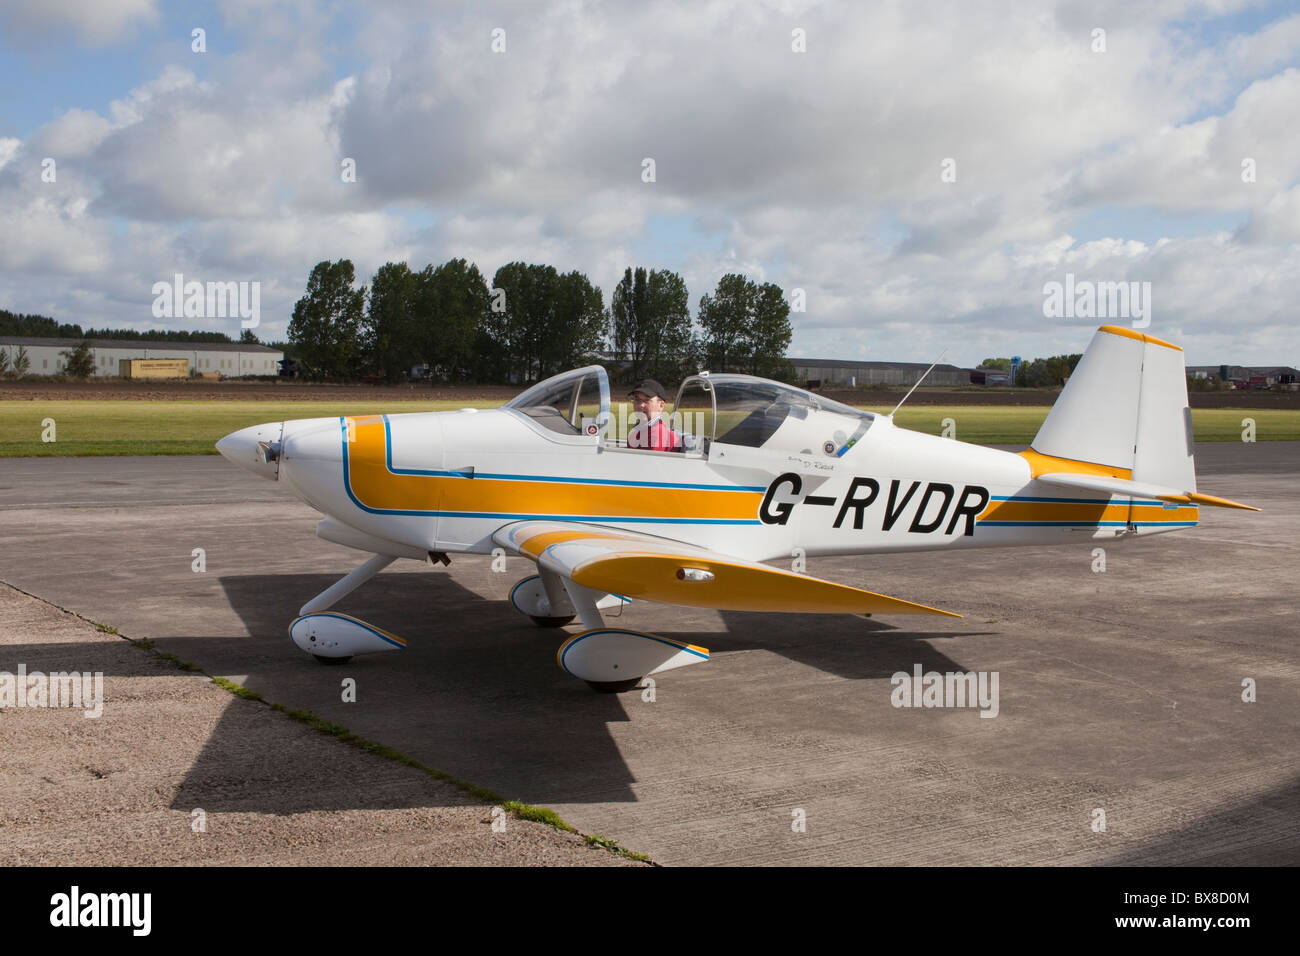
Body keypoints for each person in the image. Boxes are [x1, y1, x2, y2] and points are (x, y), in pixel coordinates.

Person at [626, 379, 681, 451]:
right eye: (637, 400)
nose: (641, 405)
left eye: (647, 400)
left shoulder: (657, 433)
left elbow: (645, 462)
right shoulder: (640, 427)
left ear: (661, 405)